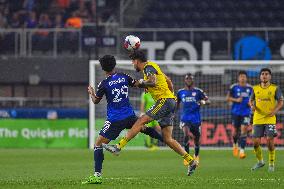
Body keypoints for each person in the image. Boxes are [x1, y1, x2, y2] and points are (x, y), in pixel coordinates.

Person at [102, 50, 199, 176]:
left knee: (140, 120)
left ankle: (118, 146)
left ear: (137, 61)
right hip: (169, 101)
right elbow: (168, 80)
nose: (133, 64)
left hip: (164, 101)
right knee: (168, 139)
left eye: (133, 62)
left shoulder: (148, 67)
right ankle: (191, 161)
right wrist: (172, 96)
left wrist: (143, 83)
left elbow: (152, 81)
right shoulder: (153, 66)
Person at [82, 55, 163, 184]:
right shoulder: (124, 76)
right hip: (129, 116)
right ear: (114, 65)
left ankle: (97, 176)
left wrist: (91, 92)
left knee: (98, 144)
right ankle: (166, 140)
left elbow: (96, 101)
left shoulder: (103, 83)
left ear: (103, 68)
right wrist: (148, 84)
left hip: (115, 119)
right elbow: (137, 84)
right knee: (143, 128)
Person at [249, 68, 283, 172]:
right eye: (263, 74)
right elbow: (251, 100)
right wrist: (252, 106)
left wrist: (275, 110)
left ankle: (271, 163)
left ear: (270, 76)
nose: (264, 76)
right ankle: (260, 161)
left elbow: (281, 101)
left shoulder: (275, 88)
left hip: (270, 118)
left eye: (266, 74)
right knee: (255, 143)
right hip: (257, 118)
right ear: (260, 76)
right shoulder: (255, 88)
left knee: (269, 140)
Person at [177, 73, 210, 166]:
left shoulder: (198, 91)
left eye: (190, 79)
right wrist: (172, 113)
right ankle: (187, 157)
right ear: (184, 80)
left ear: (193, 80)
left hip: (196, 119)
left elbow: (208, 100)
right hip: (185, 118)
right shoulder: (180, 92)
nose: (188, 80)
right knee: (186, 135)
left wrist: (202, 102)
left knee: (196, 138)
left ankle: (196, 155)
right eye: (187, 78)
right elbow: (176, 104)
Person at [226, 71, 253, 159]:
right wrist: (236, 100)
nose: (242, 78)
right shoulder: (234, 87)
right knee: (234, 132)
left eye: (244, 76)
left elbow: (254, 100)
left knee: (243, 130)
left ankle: (242, 151)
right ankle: (234, 145)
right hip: (235, 112)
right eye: (241, 76)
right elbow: (227, 98)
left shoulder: (250, 88)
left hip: (246, 113)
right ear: (238, 78)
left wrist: (251, 104)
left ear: (246, 78)